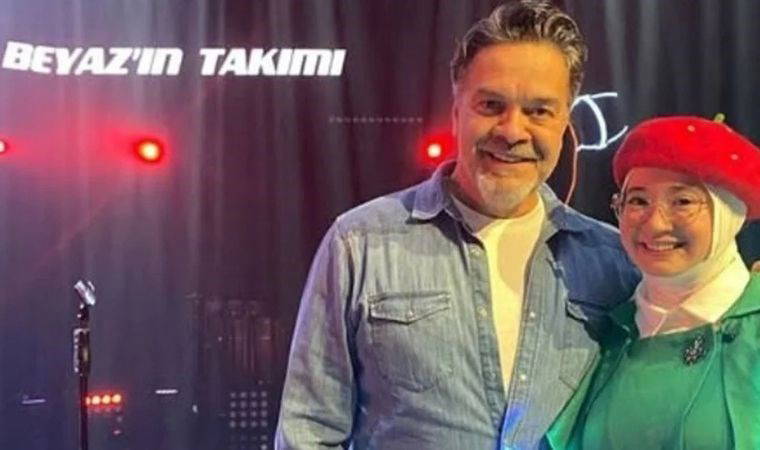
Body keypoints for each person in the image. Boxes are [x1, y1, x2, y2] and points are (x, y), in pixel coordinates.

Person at [275, 1, 639, 448]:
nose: (512, 131)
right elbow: (308, 431)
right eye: (491, 105)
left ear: (565, 120)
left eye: (539, 111)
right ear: (456, 113)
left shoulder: (615, 262)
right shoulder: (360, 243)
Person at [545, 115, 760, 449]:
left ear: (728, 213)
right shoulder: (609, 330)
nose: (655, 224)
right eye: (638, 201)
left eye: (683, 202)